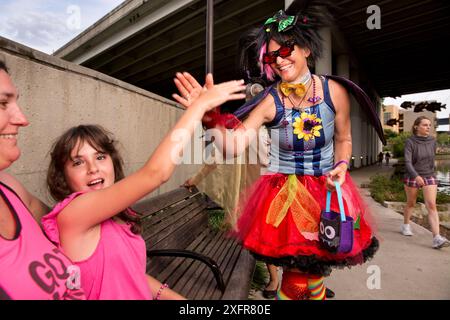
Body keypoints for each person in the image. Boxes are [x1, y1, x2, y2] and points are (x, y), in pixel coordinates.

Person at [173, 1, 380, 300]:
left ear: (306, 49)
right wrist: (208, 117)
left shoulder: (334, 92)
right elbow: (234, 146)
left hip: (327, 192)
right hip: (286, 197)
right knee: (295, 280)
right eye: (272, 56)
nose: (279, 61)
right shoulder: (270, 101)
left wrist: (343, 164)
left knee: (313, 276)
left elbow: (344, 139)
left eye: (286, 50)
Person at [40, 76, 246, 300]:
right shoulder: (73, 214)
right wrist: (198, 108)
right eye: (78, 162)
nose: (93, 168)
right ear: (63, 176)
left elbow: (131, 275)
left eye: (100, 156)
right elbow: (156, 174)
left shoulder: (117, 215)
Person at [0, 60, 85, 299]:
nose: (22, 119)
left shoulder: (10, 188)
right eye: (2, 103)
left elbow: (69, 221)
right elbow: (154, 175)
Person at [401, 116, 450, 249]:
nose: (428, 127)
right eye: (425, 125)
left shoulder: (433, 141)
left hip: (429, 175)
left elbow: (431, 159)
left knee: (432, 205)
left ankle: (436, 238)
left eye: (429, 125)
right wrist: (416, 175)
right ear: (416, 127)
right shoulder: (410, 141)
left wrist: (430, 174)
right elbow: (407, 162)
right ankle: (405, 225)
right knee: (411, 203)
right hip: (412, 175)